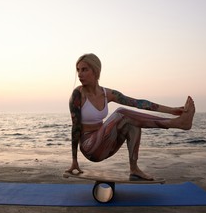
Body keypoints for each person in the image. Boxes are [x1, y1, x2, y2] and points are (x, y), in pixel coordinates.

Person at [66, 53, 195, 180]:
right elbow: (75, 128)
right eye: (78, 70)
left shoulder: (107, 94)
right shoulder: (78, 95)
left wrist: (172, 110)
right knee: (121, 113)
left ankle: (134, 169)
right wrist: (74, 161)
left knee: (133, 123)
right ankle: (176, 123)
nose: (80, 74)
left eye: (84, 69)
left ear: (95, 70)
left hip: (106, 145)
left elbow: (138, 103)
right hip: (90, 147)